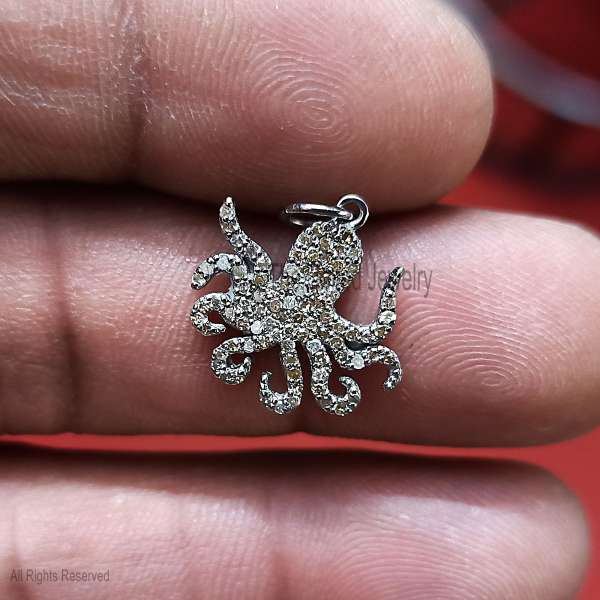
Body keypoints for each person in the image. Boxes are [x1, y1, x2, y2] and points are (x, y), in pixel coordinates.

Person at [0, 0, 598, 598]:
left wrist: (362, 297)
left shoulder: (324, 252)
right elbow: (263, 274)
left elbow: (323, 308)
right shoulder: (302, 250)